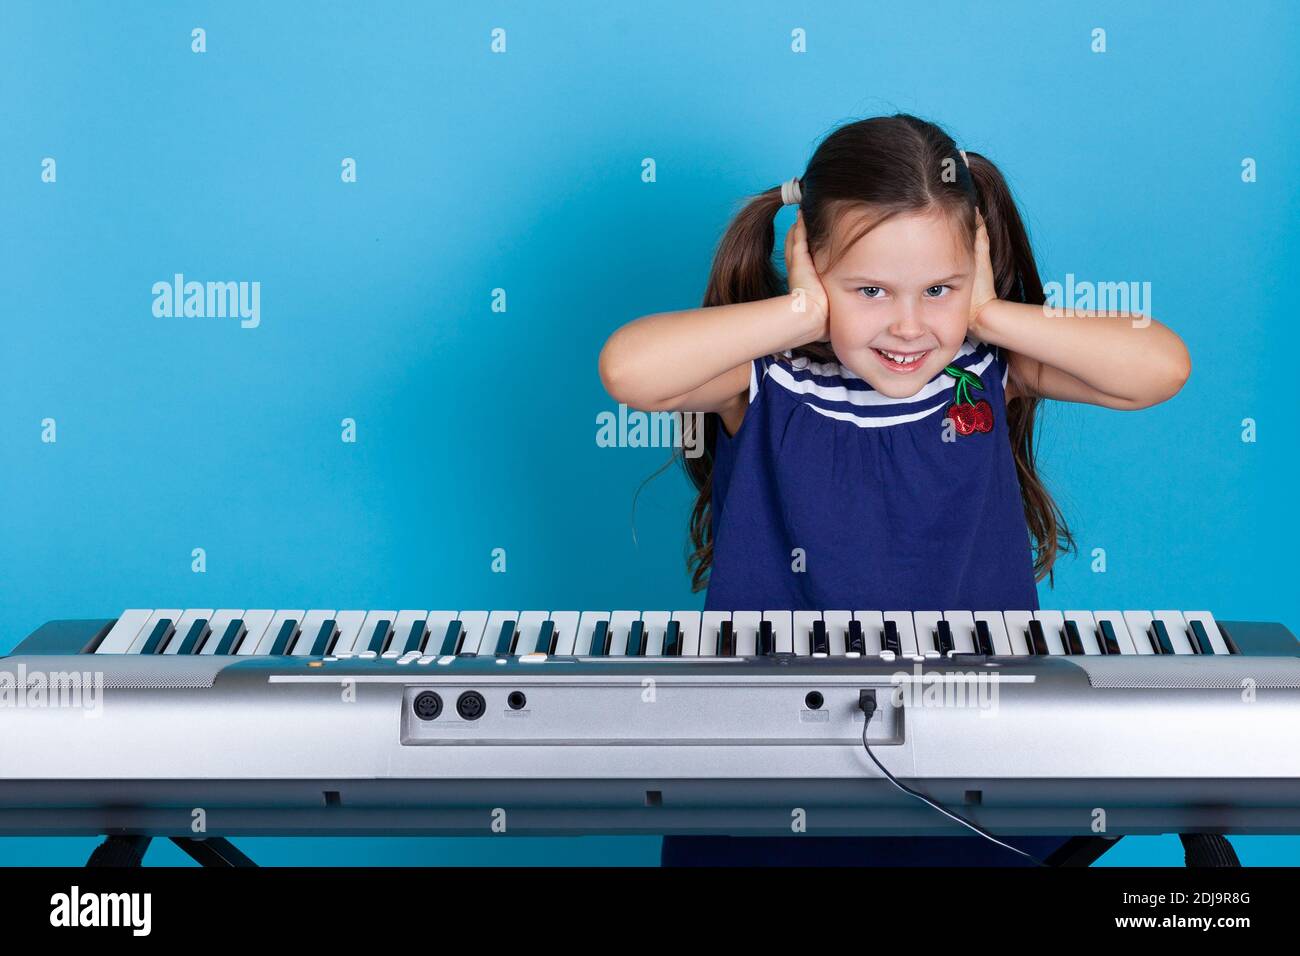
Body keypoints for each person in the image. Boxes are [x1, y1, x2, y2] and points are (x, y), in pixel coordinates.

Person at [598, 113, 1191, 865]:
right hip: (778, 760)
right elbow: (628, 370)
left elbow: (1160, 367)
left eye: (937, 288)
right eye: (870, 290)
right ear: (812, 265)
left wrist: (985, 312)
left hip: (966, 757)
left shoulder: (982, 376)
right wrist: (802, 315)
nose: (909, 327)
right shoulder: (767, 382)